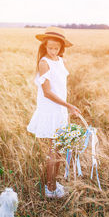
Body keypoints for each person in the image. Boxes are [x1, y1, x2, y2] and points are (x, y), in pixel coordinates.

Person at [27, 26, 81, 198]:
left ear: (61, 48)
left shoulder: (60, 61)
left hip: (60, 109)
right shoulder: (44, 63)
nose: (53, 51)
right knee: (55, 148)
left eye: (56, 48)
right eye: (50, 47)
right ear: (44, 46)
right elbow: (48, 92)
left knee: (58, 149)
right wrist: (68, 105)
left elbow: (61, 86)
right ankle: (50, 188)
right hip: (51, 110)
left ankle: (52, 183)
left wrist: (65, 107)